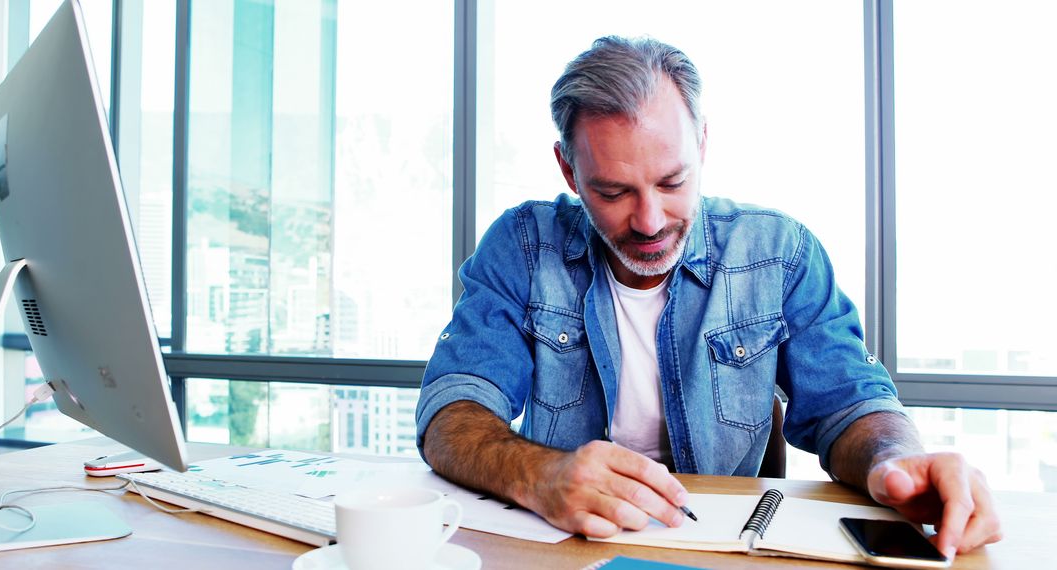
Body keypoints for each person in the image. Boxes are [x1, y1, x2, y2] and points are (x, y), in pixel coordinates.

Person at [414, 36, 1001, 559]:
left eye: (672, 182)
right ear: (568, 170)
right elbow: (452, 412)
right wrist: (538, 474)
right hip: (569, 549)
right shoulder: (521, 247)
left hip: (727, 552)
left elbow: (849, 405)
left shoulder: (780, 251)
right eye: (614, 191)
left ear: (702, 144)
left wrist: (894, 461)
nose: (649, 221)